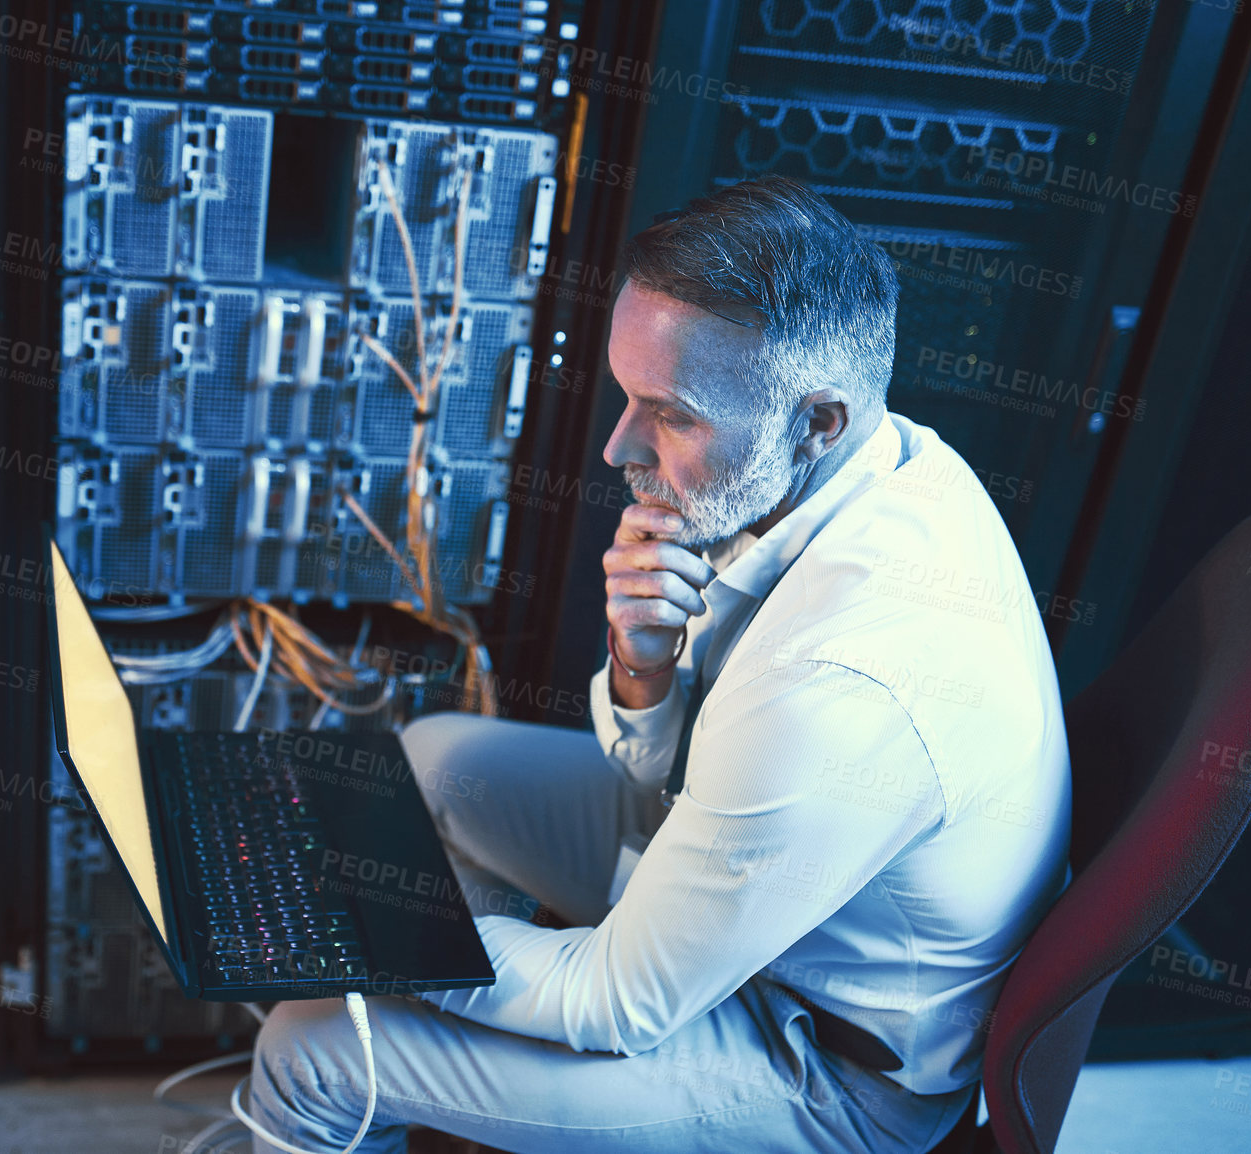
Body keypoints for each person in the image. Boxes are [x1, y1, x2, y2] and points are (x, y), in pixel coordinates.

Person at [243, 174, 1072, 1153]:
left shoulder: (846, 684)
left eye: (668, 413)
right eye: (624, 395)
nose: (615, 447)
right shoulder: (869, 462)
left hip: (822, 1070)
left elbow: (616, 1004)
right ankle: (437, 1074)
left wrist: (368, 932)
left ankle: (373, 1061)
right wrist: (643, 674)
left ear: (817, 420)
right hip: (757, 920)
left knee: (314, 1044)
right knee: (435, 762)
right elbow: (672, 774)